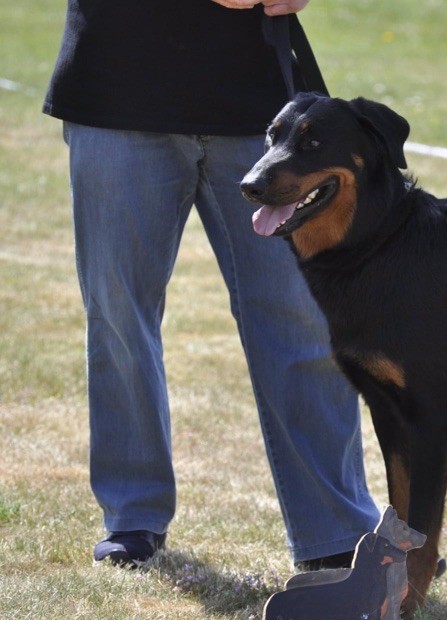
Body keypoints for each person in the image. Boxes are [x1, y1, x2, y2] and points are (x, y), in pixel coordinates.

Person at [43, 0, 380, 570]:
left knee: (301, 315)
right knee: (119, 315)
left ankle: (338, 530)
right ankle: (134, 516)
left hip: (262, 105)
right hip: (116, 92)